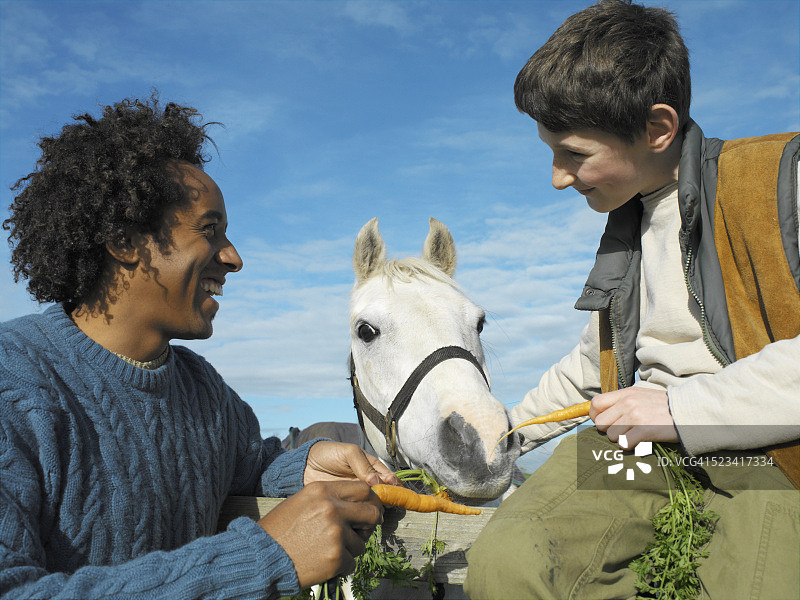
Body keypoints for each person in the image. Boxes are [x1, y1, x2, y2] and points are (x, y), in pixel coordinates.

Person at [0, 95, 399, 599]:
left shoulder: (202, 387)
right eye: (210, 231)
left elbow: (248, 462)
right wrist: (262, 558)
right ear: (124, 240)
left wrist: (306, 463)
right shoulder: (13, 382)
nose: (233, 258)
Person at [464, 1, 799, 598]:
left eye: (574, 153)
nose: (557, 177)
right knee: (512, 563)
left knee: (752, 585)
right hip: (640, 453)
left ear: (657, 129)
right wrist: (507, 432)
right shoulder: (628, 224)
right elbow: (594, 365)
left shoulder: (780, 179)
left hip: (763, 452)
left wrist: (679, 409)